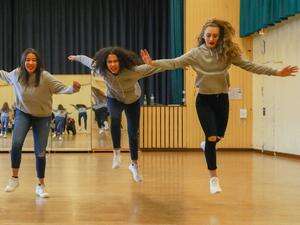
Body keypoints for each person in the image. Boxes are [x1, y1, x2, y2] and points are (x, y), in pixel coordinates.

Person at [140, 19, 298, 194]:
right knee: (212, 137)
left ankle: (206, 144)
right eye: (208, 35)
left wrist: (276, 72)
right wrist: (153, 63)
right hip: (204, 101)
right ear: (203, 36)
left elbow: (250, 66)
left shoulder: (227, 53)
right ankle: (213, 179)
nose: (211, 38)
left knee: (218, 136)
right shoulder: (195, 54)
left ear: (220, 37)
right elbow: (174, 62)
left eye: (215, 35)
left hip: (222, 99)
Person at [68, 47, 168, 182]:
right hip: (114, 98)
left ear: (120, 62)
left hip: (133, 100)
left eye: (115, 61)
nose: (113, 65)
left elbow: (158, 67)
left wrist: (179, 64)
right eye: (110, 62)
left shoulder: (134, 71)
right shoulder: (101, 70)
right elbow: (87, 60)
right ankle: (116, 153)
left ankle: (134, 165)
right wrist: (76, 57)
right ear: (105, 63)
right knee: (114, 119)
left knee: (133, 133)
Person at [0, 48, 81, 197]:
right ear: (23, 62)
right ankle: (14, 178)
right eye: (27, 60)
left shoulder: (46, 77)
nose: (30, 63)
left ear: (38, 62)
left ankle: (40, 185)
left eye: (34, 60)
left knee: (40, 152)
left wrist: (73, 89)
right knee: (16, 144)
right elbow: (2, 74)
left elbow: (63, 88)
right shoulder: (16, 74)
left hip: (43, 117)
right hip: (22, 113)